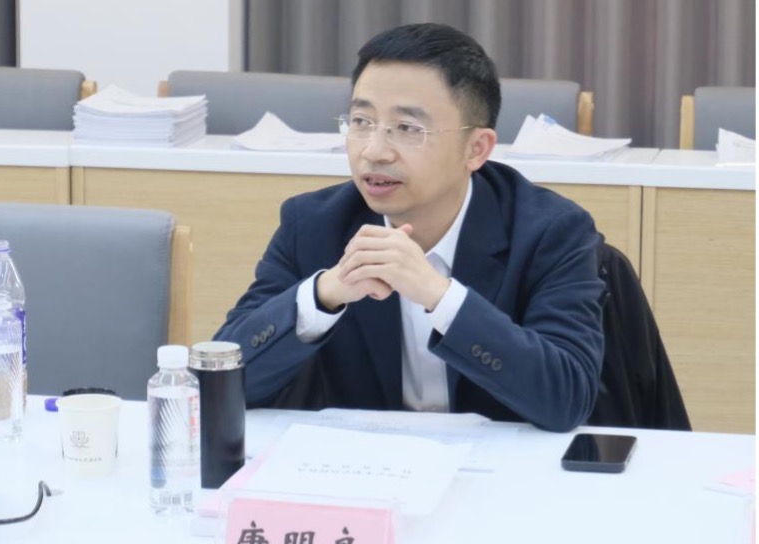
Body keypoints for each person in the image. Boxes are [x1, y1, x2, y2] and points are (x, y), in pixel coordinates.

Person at [214, 22, 605, 432]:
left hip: (501, 465)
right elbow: (221, 381)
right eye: (361, 121)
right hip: (366, 463)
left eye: (407, 129)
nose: (374, 151)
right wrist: (323, 294)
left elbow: (567, 398)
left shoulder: (552, 231)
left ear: (476, 149)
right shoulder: (314, 224)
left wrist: (440, 296)